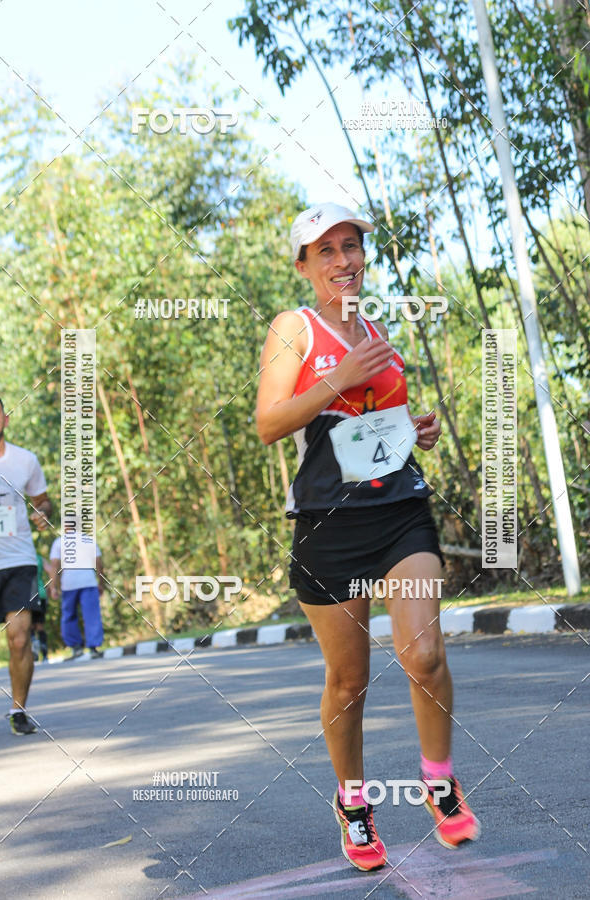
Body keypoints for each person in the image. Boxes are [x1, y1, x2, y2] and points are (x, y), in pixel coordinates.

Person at [256, 203, 479, 872]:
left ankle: (439, 781)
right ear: (304, 266)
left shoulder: (379, 330)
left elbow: (369, 431)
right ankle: (353, 802)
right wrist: (338, 378)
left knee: (426, 655)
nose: (342, 260)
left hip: (400, 510)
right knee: (348, 681)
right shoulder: (294, 329)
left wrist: (414, 429)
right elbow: (269, 424)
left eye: (350, 246)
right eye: (325, 251)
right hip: (328, 524)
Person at [0, 392, 52, 735]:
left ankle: (18, 710)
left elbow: (44, 501)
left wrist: (43, 513)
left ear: (6, 419)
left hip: (18, 560)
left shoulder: (25, 460)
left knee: (19, 637)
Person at [48, 530, 104, 659]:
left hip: (69, 584)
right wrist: (101, 582)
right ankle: (93, 648)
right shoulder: (88, 540)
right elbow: (98, 562)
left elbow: (54, 566)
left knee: (69, 616)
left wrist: (53, 587)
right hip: (88, 582)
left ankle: (76, 647)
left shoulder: (59, 542)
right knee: (92, 615)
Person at [31, 552, 50, 662]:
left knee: (29, 626)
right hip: (41, 593)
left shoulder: (21, 557)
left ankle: (34, 649)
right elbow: (51, 570)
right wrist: (51, 587)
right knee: (40, 626)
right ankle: (45, 654)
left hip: (27, 595)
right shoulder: (39, 558)